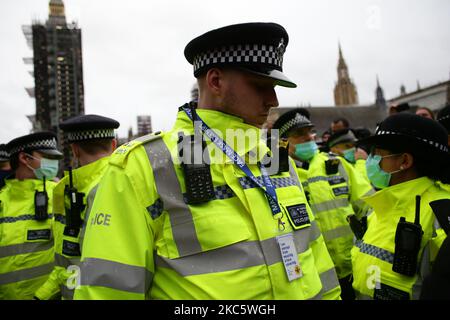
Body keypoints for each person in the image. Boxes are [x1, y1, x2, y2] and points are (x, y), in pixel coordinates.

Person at [74, 22, 341, 300]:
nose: (273, 100)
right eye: (262, 85)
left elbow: (314, 254)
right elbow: (108, 291)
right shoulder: (143, 167)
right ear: (215, 82)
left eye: (274, 87)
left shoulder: (274, 157)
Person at [272, 108, 374, 300]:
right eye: (299, 135)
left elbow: (369, 206)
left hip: (356, 265)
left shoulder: (337, 165)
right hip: (315, 277)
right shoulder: (279, 177)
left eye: (309, 132)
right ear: (283, 142)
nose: (309, 138)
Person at [351, 112, 450, 300]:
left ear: (404, 161)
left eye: (377, 154)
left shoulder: (440, 216)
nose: (371, 161)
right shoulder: (382, 204)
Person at [34, 115, 119, 300]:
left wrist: (39, 296)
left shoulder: (65, 192)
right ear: (114, 145)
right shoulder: (130, 184)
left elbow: (66, 260)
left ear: (74, 150)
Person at [0, 132, 63, 299]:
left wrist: (41, 297)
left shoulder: (59, 196)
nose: (54, 163)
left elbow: (70, 258)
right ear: (24, 159)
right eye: (47, 157)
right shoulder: (1, 200)